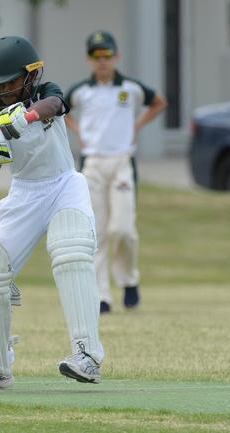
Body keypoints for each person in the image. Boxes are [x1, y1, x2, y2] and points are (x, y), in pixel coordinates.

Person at [0, 35, 105, 390]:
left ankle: (87, 356)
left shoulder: (45, 94)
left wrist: (23, 117)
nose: (2, 90)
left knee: (71, 248)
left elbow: (57, 105)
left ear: (30, 76)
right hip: (24, 195)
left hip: (63, 184)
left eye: (9, 82)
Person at [65, 31, 167, 313]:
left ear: (116, 56)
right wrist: (78, 131)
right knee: (97, 233)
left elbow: (159, 102)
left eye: (106, 55)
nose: (102, 61)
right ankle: (101, 296)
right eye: (96, 56)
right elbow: (60, 110)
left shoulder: (131, 88)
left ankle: (129, 279)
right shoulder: (80, 91)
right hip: (93, 164)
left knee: (122, 229)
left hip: (122, 162)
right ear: (89, 59)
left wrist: (137, 125)